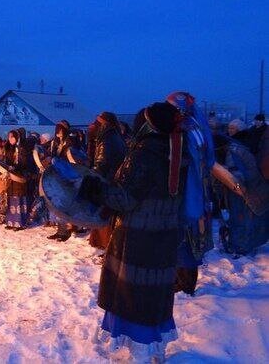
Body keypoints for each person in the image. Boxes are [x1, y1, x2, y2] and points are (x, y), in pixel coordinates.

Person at [78, 102, 186, 362]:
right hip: (165, 233)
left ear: (147, 125)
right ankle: (155, 348)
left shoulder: (145, 153)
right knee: (155, 292)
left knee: (133, 293)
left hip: (139, 236)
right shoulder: (177, 150)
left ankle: (140, 350)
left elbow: (125, 198)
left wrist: (96, 190)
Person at [166, 92, 245, 296]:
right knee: (186, 235)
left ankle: (185, 284)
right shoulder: (194, 126)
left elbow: (184, 160)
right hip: (196, 190)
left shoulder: (185, 128)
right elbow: (207, 159)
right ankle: (181, 279)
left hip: (187, 191)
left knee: (186, 236)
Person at [213, 134, 269, 257]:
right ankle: (242, 245)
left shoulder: (232, 152)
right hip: (252, 190)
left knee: (242, 221)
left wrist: (234, 185)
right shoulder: (235, 148)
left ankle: (240, 247)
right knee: (246, 220)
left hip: (248, 192)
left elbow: (238, 178)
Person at [88, 112, 127, 250]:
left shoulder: (107, 139)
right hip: (114, 183)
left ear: (104, 123)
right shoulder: (115, 136)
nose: (93, 124)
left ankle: (107, 247)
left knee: (105, 218)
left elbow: (101, 164)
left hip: (107, 182)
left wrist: (92, 179)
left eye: (97, 122)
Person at [4, 129, 28, 230]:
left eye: (12, 137)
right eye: (9, 137)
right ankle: (11, 222)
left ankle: (20, 223)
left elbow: (24, 162)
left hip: (19, 175)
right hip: (11, 176)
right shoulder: (10, 148)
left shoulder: (22, 148)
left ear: (17, 137)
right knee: (11, 197)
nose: (10, 139)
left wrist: (16, 168)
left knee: (19, 198)